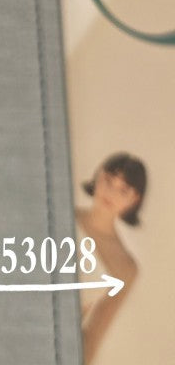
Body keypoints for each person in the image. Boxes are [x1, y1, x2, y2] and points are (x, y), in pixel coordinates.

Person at [76, 152, 146, 364]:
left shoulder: (126, 267)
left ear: (134, 199)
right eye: (108, 180)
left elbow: (93, 335)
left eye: (123, 190)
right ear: (97, 176)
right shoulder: (61, 214)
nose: (111, 192)